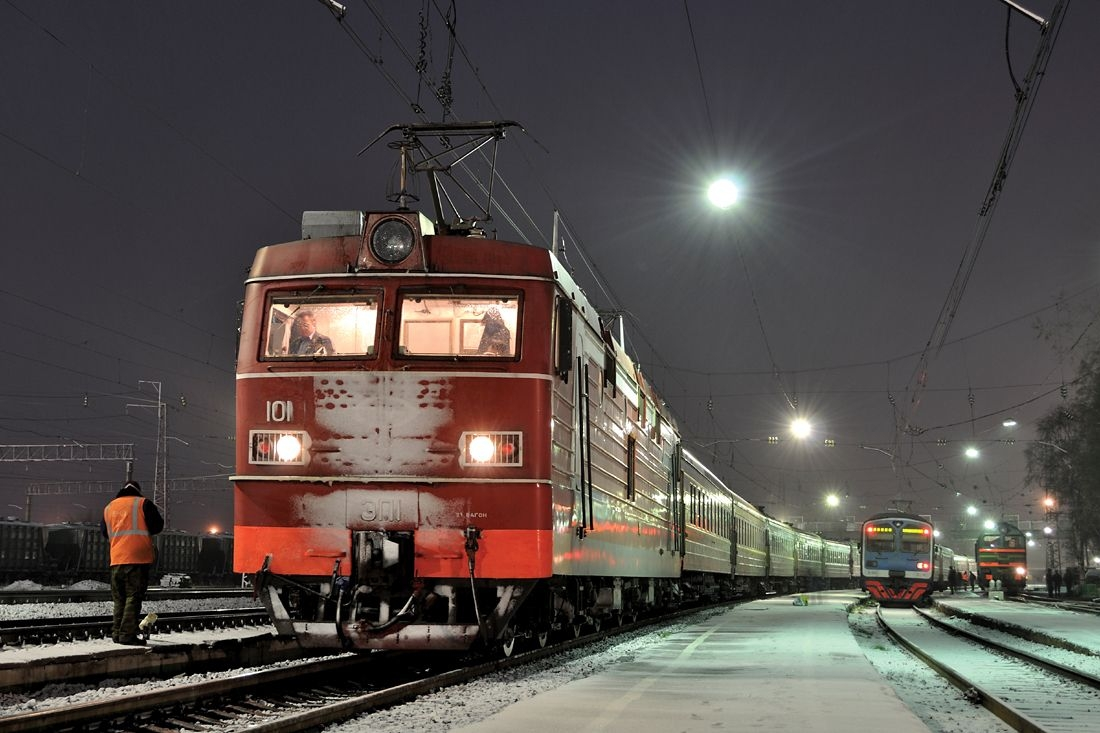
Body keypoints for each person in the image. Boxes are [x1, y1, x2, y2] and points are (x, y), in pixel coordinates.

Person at [101, 481, 164, 645]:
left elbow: (105, 533)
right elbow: (158, 526)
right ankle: (127, 635)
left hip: (116, 559)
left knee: (119, 599)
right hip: (137, 559)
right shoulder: (143, 504)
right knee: (133, 597)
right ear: (138, 491)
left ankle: (117, 633)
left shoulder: (109, 507)